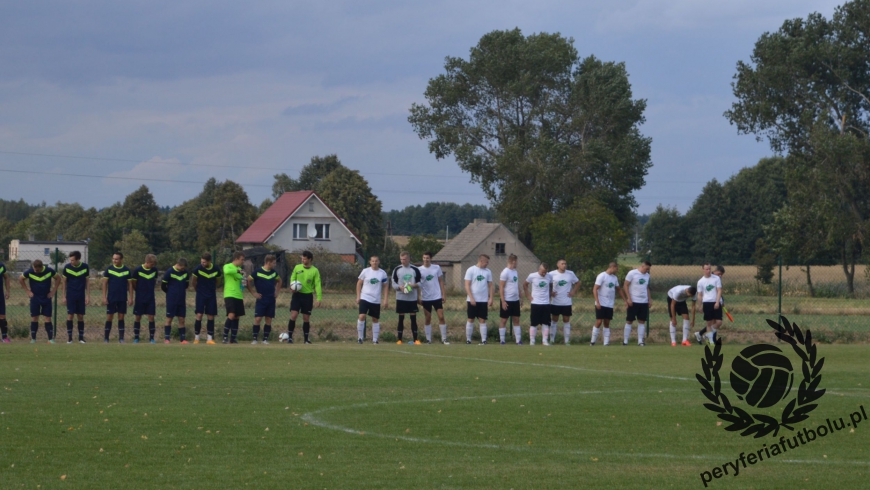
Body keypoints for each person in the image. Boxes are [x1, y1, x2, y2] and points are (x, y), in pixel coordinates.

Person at [20, 259, 60, 343]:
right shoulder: (30, 272)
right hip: (35, 298)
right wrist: (27, 291)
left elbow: (58, 278)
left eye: (37, 270)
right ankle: (33, 339)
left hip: (46, 298)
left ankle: (50, 339)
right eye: (34, 269)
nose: (36, 271)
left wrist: (53, 291)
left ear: (41, 267)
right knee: (34, 318)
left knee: (48, 318)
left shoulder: (49, 271)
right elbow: (21, 279)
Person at [286, 250, 322, 344]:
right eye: (302, 258)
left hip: (307, 296)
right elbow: (292, 279)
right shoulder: (297, 267)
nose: (302, 260)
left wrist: (319, 298)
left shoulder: (315, 270)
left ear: (310, 259)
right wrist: (292, 286)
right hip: (297, 295)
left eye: (304, 258)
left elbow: (317, 285)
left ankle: (306, 339)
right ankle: (290, 338)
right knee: (293, 315)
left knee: (306, 318)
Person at [248, 255, 282, 345]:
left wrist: (277, 291)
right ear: (268, 262)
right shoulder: (257, 272)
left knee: (269, 319)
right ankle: (255, 339)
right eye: (274, 263)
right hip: (261, 299)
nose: (275, 265)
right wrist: (253, 293)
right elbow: (248, 281)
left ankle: (265, 339)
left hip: (271, 299)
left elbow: (280, 281)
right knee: (258, 318)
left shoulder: (274, 272)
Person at [590, 262, 626, 346]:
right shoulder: (602, 276)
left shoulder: (614, 278)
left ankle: (606, 342)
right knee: (599, 321)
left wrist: (625, 300)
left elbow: (618, 289)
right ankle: (593, 341)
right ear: (612, 267)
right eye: (617, 268)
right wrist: (597, 302)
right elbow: (595, 289)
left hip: (609, 304)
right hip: (601, 303)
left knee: (607, 322)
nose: (617, 270)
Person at [190, 252, 222, 344]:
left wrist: (211, 289)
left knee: (211, 316)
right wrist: (198, 290)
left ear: (209, 261)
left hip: (211, 295)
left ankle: (209, 338)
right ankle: (196, 338)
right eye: (202, 262)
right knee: (199, 315)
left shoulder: (216, 269)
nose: (202, 263)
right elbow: (194, 282)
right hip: (200, 295)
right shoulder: (198, 269)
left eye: (204, 262)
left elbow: (218, 281)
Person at [390, 251, 422, 345]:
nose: (403, 261)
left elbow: (420, 283)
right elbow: (393, 282)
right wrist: (400, 287)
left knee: (413, 317)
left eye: (404, 259)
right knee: (401, 317)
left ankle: (416, 339)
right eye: (401, 259)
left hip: (412, 297)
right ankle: (399, 339)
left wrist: (412, 285)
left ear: (409, 259)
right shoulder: (397, 269)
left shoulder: (415, 269)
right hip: (401, 297)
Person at [356, 256, 389, 344]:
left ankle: (375, 339)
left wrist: (385, 299)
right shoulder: (365, 271)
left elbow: (385, 286)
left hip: (376, 299)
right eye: (373, 261)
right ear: (370, 262)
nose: (374, 262)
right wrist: (358, 296)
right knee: (362, 316)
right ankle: (360, 338)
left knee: (375, 319)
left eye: (376, 261)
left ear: (379, 262)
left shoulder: (382, 273)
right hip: (365, 297)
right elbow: (359, 284)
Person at [102, 252, 133, 343]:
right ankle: (106, 338)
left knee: (121, 317)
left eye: (116, 259)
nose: (114, 260)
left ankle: (121, 338)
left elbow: (130, 285)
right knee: (109, 317)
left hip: (122, 298)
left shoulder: (126, 270)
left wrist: (131, 297)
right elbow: (104, 284)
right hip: (111, 297)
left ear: (121, 260)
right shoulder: (109, 269)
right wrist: (104, 297)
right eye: (113, 259)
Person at [418, 251, 448, 344]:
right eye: (424, 258)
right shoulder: (419, 270)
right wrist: (417, 298)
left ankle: (444, 339)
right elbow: (417, 284)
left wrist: (443, 294)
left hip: (437, 296)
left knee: (441, 317)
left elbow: (441, 281)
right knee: (428, 318)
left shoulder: (436, 268)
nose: (426, 260)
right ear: (422, 258)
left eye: (427, 258)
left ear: (430, 259)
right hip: (426, 297)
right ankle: (428, 339)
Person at [548, 259, 580, 345]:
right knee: (554, 320)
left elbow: (578, 283)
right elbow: (547, 283)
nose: (564, 265)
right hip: (555, 302)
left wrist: (573, 292)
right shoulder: (551, 274)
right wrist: (550, 292)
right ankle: (552, 339)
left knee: (566, 320)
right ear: (558, 265)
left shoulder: (570, 273)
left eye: (565, 264)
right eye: (562, 264)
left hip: (566, 302)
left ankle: (567, 341)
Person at [61, 251, 90, 344]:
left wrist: (88, 296)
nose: (71, 262)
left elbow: (87, 282)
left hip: (81, 295)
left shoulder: (85, 267)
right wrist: (63, 296)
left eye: (73, 260)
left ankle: (81, 338)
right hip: (71, 295)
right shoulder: (67, 267)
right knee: (70, 315)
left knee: (80, 316)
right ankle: (69, 338)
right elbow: (64, 282)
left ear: (78, 259)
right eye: (70, 260)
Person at [464, 254, 494, 345]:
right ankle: (468, 340)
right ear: (481, 261)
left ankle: (484, 340)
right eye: (486, 262)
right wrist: (471, 298)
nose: (487, 264)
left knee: (482, 319)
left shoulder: (488, 272)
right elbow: (467, 285)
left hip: (483, 300)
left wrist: (491, 298)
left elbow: (491, 285)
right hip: (472, 300)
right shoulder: (471, 270)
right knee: (470, 319)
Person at [623, 261, 651, 346]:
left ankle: (640, 341)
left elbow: (646, 288)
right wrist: (629, 298)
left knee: (642, 321)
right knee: (629, 320)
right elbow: (625, 285)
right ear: (642, 266)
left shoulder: (647, 276)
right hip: (634, 301)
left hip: (644, 301)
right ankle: (625, 341)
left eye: (648, 269)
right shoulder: (632, 273)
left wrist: (649, 299)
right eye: (646, 269)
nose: (647, 271)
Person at [162, 258, 190, 344]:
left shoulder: (185, 273)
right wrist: (170, 293)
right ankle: (167, 339)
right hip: (171, 299)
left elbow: (186, 285)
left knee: (182, 319)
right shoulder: (169, 272)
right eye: (182, 268)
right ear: (178, 265)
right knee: (169, 318)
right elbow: (163, 286)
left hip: (181, 299)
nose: (183, 269)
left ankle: (183, 339)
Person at [131, 254, 158, 344]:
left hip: (150, 297)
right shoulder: (138, 270)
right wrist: (139, 291)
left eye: (154, 264)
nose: (153, 266)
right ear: (147, 262)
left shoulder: (154, 270)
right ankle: (136, 338)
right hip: (140, 297)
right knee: (138, 317)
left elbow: (154, 281)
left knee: (151, 317)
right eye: (152, 264)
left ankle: (151, 338)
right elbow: (133, 283)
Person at [696, 265, 726, 344]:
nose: (720, 276)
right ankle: (711, 339)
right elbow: (700, 294)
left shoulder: (716, 279)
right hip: (707, 303)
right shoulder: (701, 281)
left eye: (721, 275)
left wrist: (720, 301)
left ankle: (704, 335)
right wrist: (700, 306)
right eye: (719, 273)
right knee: (710, 322)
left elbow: (719, 291)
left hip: (716, 302)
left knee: (718, 322)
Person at [524, 262, 552, 346]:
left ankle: (545, 341)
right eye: (542, 271)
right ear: (539, 269)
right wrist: (528, 296)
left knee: (546, 323)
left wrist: (549, 296)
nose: (544, 273)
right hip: (535, 303)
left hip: (546, 303)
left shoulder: (549, 276)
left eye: (545, 272)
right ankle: (532, 341)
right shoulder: (532, 276)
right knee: (534, 323)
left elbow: (551, 286)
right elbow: (525, 285)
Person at [222, 251, 246, 344]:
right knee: (231, 314)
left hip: (238, 295)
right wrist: (238, 271)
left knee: (237, 316)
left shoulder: (241, 270)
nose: (243, 261)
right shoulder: (227, 266)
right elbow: (227, 272)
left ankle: (233, 338)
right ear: (236, 259)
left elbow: (243, 283)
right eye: (242, 259)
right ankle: (225, 337)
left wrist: (244, 281)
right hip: (230, 294)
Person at [498, 254, 522, 345]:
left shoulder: (515, 271)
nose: (517, 264)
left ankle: (518, 340)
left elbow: (516, 285)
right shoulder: (505, 272)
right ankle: (502, 340)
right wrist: (503, 301)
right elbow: (501, 287)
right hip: (507, 300)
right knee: (504, 320)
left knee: (516, 319)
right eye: (516, 262)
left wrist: (521, 297)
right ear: (513, 262)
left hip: (515, 300)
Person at [0, 260, 10, 343]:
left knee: (2, 316)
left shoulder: (1, 266)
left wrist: (8, 291)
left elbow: (6, 277)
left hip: (0, 295)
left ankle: (4, 337)